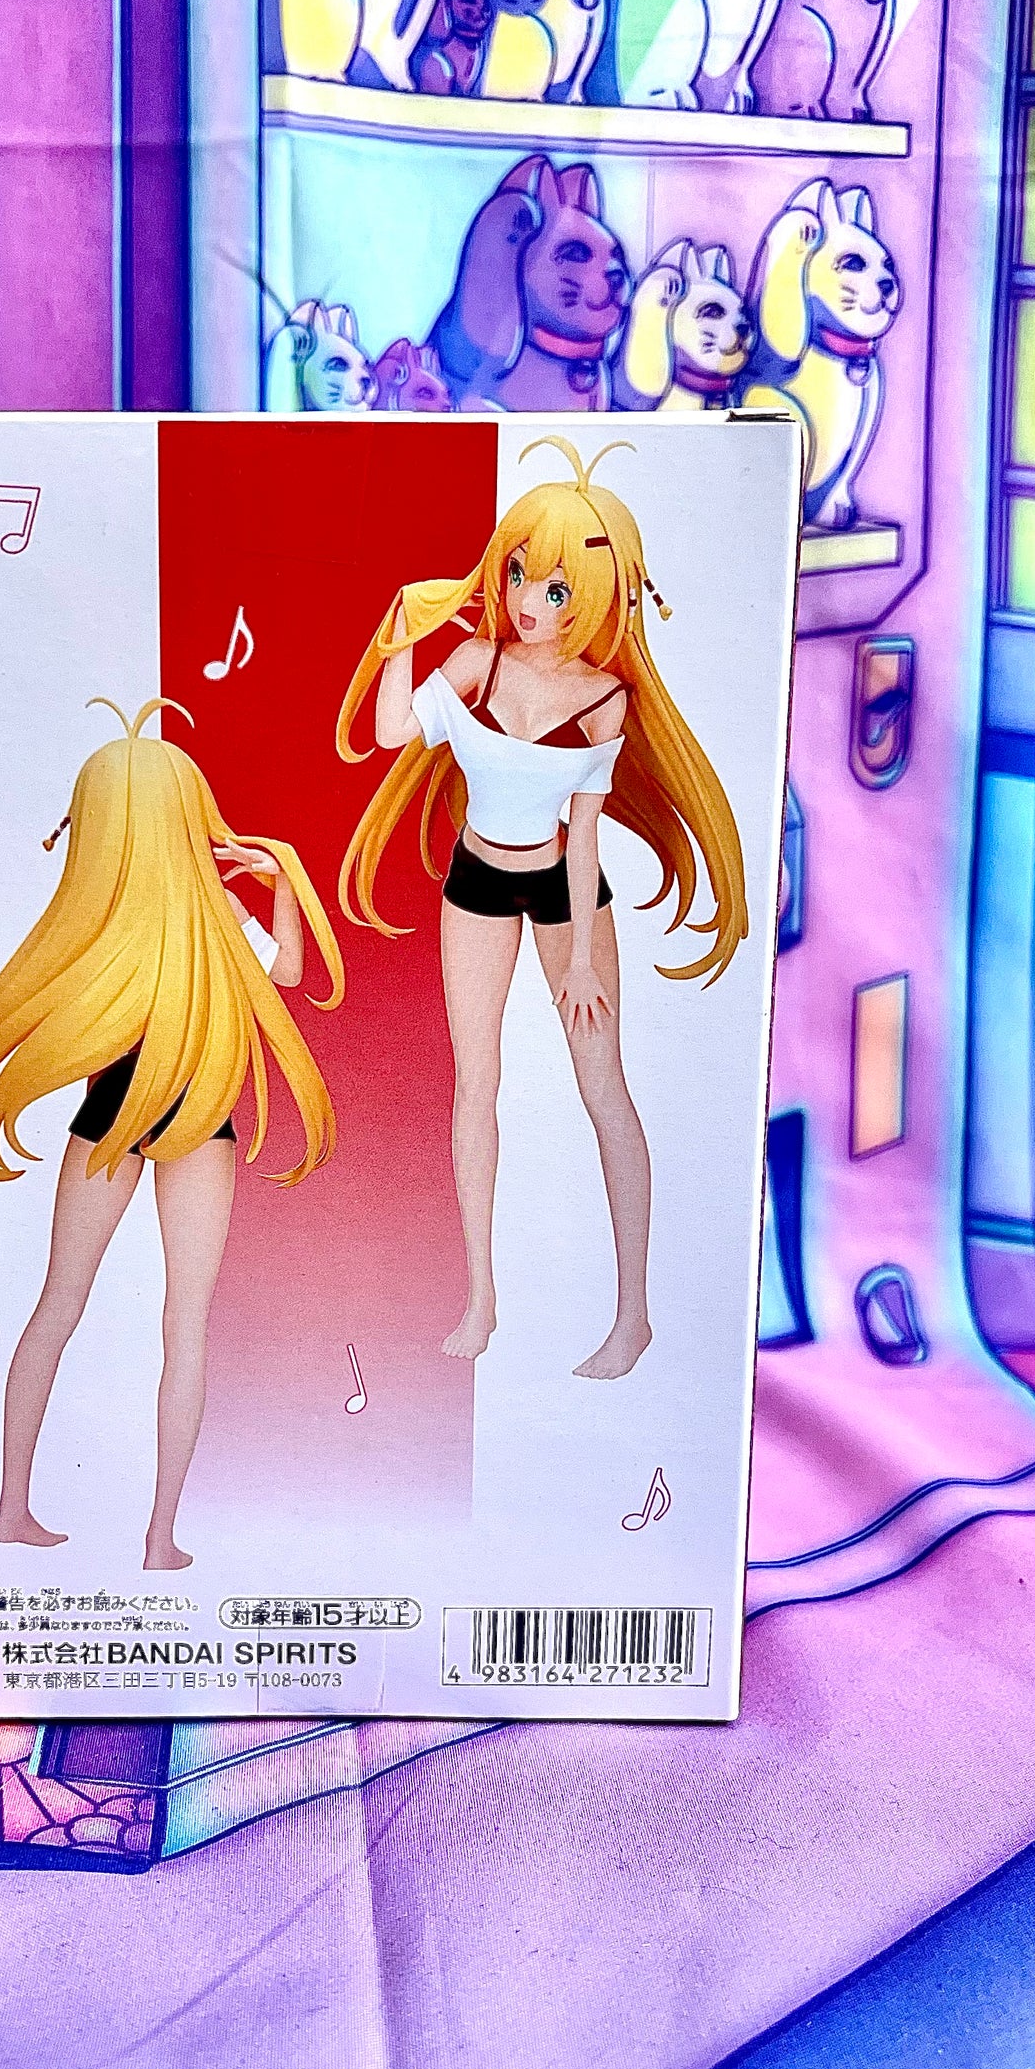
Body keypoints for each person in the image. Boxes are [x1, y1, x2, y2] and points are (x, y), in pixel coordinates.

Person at [336, 437, 745, 1376]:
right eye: (520, 573)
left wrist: (584, 962)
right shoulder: (475, 665)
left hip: (566, 891)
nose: (529, 601)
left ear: (594, 596)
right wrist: (399, 628)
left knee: (603, 1085)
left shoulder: (603, 699)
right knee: (474, 1082)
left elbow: (587, 831)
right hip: (477, 883)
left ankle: (633, 1314)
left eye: (557, 588)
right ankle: (481, 1299)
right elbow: (392, 730)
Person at [0, 701, 342, 1568]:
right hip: (185, 1118)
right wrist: (279, 878)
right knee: (167, 1321)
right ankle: (146, 1536)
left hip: (133, 1117)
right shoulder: (197, 911)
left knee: (70, 1305)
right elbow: (287, 973)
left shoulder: (105, 917)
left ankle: (39, 1515)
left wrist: (280, 879)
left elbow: (282, 976)